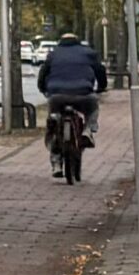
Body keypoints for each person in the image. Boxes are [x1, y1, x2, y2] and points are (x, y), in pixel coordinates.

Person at [35, 31, 104, 183]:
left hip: (57, 96)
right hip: (83, 94)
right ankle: (88, 129)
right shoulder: (88, 53)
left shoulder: (53, 54)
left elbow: (43, 73)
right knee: (93, 107)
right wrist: (101, 87)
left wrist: (43, 89)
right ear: (77, 41)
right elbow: (100, 71)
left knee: (53, 124)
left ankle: (56, 162)